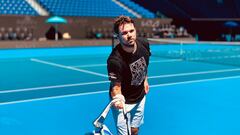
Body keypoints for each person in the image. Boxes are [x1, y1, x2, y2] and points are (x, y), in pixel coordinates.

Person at [107, 15, 151, 135]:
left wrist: (145, 80)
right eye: (124, 33)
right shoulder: (115, 60)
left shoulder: (144, 44)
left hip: (140, 96)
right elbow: (115, 87)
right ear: (118, 36)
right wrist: (117, 99)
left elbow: (145, 64)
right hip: (123, 103)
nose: (129, 35)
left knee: (135, 130)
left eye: (131, 31)